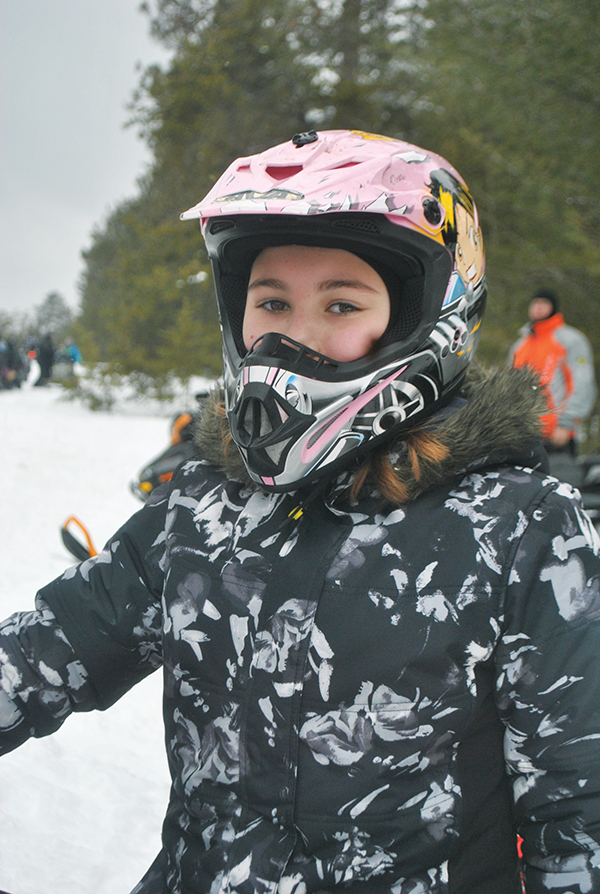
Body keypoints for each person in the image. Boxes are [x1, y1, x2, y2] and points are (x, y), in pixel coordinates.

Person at [1, 130, 600, 894]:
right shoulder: (201, 509)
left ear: (426, 316)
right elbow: (45, 653)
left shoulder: (518, 529)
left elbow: (578, 805)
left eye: (341, 302)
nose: (295, 333)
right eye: (271, 300)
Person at [509, 289, 597, 456]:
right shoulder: (520, 345)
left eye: (544, 303)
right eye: (536, 303)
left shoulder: (570, 340)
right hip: (522, 436)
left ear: (553, 307)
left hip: (556, 435)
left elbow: (582, 383)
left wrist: (566, 423)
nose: (538, 308)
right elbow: (508, 387)